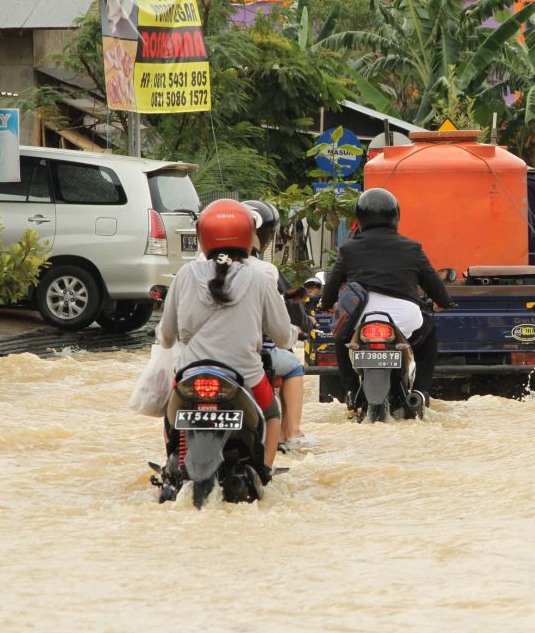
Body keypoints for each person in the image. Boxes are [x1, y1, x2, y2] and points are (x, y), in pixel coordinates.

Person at [156, 198, 294, 475]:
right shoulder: (259, 278)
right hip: (246, 376)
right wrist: (290, 336)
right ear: (248, 235)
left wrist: (167, 338)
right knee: (273, 413)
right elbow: (282, 339)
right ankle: (265, 471)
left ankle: (174, 464)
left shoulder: (185, 274)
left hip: (190, 376)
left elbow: (166, 336)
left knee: (171, 417)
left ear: (203, 236)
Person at [319, 188, 452, 406]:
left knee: (340, 336)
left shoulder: (348, 248)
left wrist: (325, 304)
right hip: (405, 320)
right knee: (429, 333)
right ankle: (421, 392)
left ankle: (351, 392)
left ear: (359, 217)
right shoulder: (412, 248)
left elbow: (332, 286)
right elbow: (434, 285)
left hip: (359, 320)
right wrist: (443, 303)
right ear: (396, 217)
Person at [240, 200, 311, 452]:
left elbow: (169, 332)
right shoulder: (264, 271)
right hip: (251, 358)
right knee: (293, 366)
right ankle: (292, 432)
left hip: (197, 360)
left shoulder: (193, 270)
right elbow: (281, 334)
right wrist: (294, 333)